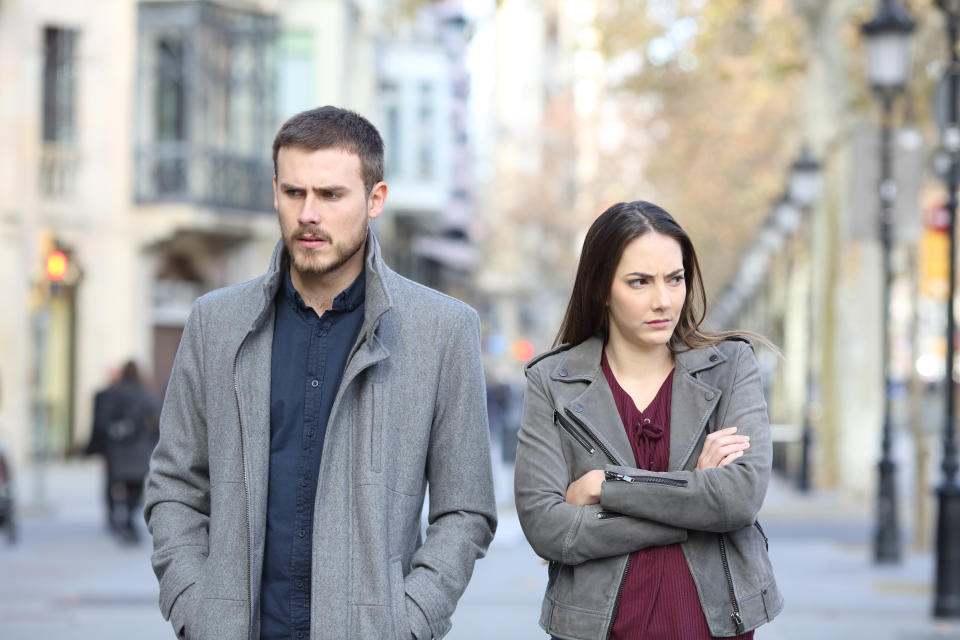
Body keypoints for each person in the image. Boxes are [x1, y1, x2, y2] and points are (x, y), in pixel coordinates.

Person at [144, 106, 497, 640]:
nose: (309, 213)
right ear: (276, 192)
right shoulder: (215, 323)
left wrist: (409, 621)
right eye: (294, 193)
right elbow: (174, 484)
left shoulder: (443, 331)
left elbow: (466, 509)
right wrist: (196, 610)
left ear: (375, 199)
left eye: (331, 195)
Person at [514, 201, 782, 640]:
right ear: (602, 287)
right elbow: (548, 528)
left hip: (712, 627)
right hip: (597, 628)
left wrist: (607, 485)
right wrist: (692, 495)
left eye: (674, 279)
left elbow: (738, 498)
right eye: (639, 282)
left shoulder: (731, 366)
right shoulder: (553, 382)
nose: (663, 300)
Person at [89, 361, 159, 543]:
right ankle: (128, 517)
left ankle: (116, 516)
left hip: (118, 447)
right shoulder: (144, 394)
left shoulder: (113, 394)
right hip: (138, 447)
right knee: (135, 485)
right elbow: (155, 418)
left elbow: (103, 420)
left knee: (114, 483)